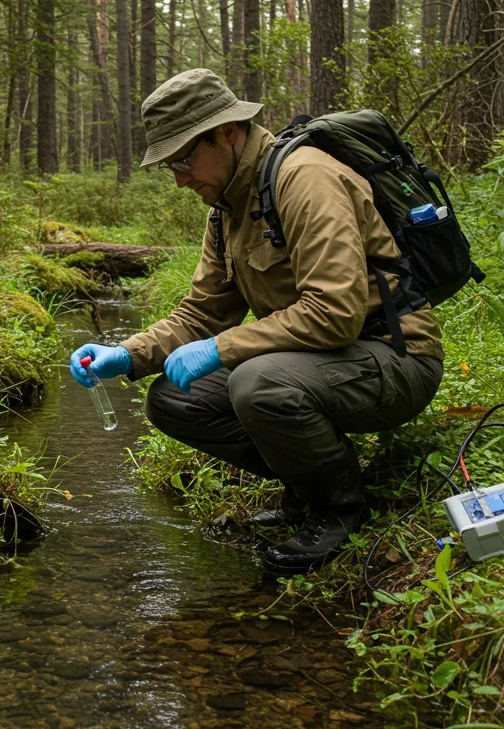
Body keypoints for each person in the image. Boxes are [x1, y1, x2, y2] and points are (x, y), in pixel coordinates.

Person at [69, 69, 445, 575]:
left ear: (226, 132)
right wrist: (128, 353)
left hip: (392, 359)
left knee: (257, 381)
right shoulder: (227, 207)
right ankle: (310, 482)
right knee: (173, 399)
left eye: (184, 159)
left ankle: (339, 509)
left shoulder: (305, 179)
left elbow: (334, 314)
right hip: (318, 364)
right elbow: (202, 313)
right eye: (169, 166)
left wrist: (222, 349)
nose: (180, 178)